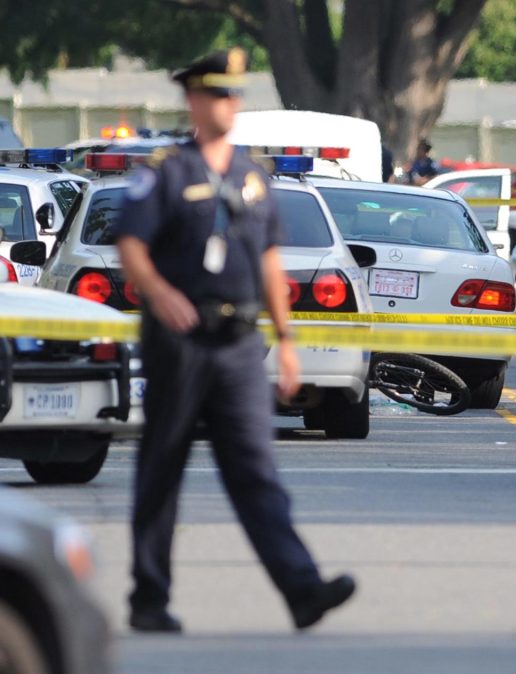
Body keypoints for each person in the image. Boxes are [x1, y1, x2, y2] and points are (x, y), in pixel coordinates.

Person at [115, 48, 356, 633]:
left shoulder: (253, 176)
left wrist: (288, 340)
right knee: (163, 466)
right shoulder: (165, 170)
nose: (229, 104)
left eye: (235, 94)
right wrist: (156, 291)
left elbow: (270, 263)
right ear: (194, 100)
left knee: (256, 469)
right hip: (181, 340)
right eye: (218, 94)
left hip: (240, 343)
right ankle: (149, 598)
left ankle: (302, 591)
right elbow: (130, 245)